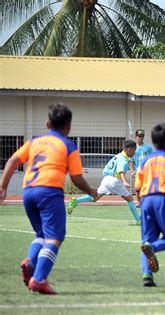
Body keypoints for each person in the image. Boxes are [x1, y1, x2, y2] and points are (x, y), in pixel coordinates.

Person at [0, 103, 97, 294]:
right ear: (69, 126)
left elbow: (12, 161)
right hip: (49, 192)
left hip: (28, 192)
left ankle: (31, 262)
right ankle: (39, 278)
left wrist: (3, 187)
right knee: (55, 237)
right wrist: (91, 191)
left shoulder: (34, 142)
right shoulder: (69, 146)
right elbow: (77, 178)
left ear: (47, 123)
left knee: (42, 235)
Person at [135, 123, 165, 287]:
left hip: (146, 200)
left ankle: (147, 275)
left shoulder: (145, 161)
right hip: (162, 198)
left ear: (153, 142)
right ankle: (153, 248)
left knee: (146, 239)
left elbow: (137, 185)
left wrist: (138, 200)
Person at [66, 140, 140, 222]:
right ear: (129, 150)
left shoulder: (117, 156)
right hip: (115, 181)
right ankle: (138, 220)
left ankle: (76, 201)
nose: (134, 153)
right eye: (134, 150)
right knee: (129, 199)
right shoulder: (123, 158)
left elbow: (106, 169)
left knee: (95, 198)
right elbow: (120, 170)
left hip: (107, 179)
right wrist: (125, 181)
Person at [132, 129, 154, 207]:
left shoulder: (148, 147)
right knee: (138, 188)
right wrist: (132, 170)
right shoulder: (133, 148)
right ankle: (138, 202)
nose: (141, 138)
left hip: (147, 170)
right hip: (138, 170)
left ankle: (147, 202)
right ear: (136, 137)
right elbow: (130, 161)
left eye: (142, 136)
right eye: (139, 136)